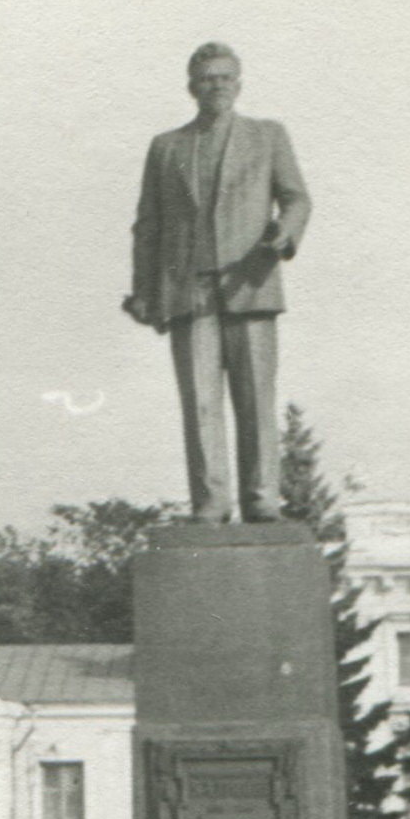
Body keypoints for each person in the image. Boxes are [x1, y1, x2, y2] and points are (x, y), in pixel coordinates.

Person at [123, 43, 312, 524]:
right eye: (208, 79)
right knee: (201, 403)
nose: (218, 86)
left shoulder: (267, 136)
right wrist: (144, 291)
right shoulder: (166, 147)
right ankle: (210, 502)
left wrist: (283, 235)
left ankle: (261, 497)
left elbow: (296, 198)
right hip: (188, 291)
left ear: (240, 84)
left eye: (226, 77)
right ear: (192, 87)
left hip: (250, 283)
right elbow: (149, 225)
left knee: (256, 400)